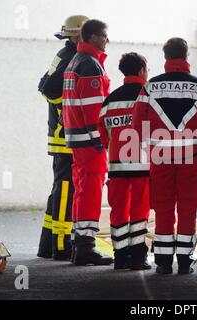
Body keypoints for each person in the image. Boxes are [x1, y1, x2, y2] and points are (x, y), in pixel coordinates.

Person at [132, 38, 197, 274]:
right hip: (189, 157)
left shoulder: (149, 87)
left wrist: (149, 147)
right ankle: (184, 260)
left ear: (165, 57)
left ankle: (162, 262)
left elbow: (138, 122)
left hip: (159, 158)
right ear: (186, 56)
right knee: (188, 206)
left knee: (162, 206)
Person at [62, 19, 113, 266]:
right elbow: (93, 109)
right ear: (92, 37)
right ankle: (85, 248)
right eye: (103, 35)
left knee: (82, 190)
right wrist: (100, 140)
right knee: (91, 191)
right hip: (89, 141)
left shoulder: (76, 62)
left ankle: (79, 244)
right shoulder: (90, 65)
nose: (107, 40)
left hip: (77, 139)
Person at [37, 15, 88, 261]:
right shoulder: (71, 58)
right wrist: (66, 111)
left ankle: (47, 246)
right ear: (77, 36)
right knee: (66, 191)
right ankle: (61, 245)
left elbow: (43, 85)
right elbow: (48, 89)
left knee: (60, 191)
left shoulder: (65, 53)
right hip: (65, 136)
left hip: (61, 135)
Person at [98, 52, 151, 270]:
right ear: (141, 70)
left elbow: (103, 134)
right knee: (139, 212)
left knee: (118, 211)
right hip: (143, 165)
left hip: (117, 166)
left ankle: (120, 257)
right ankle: (139, 258)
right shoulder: (148, 95)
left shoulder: (110, 100)